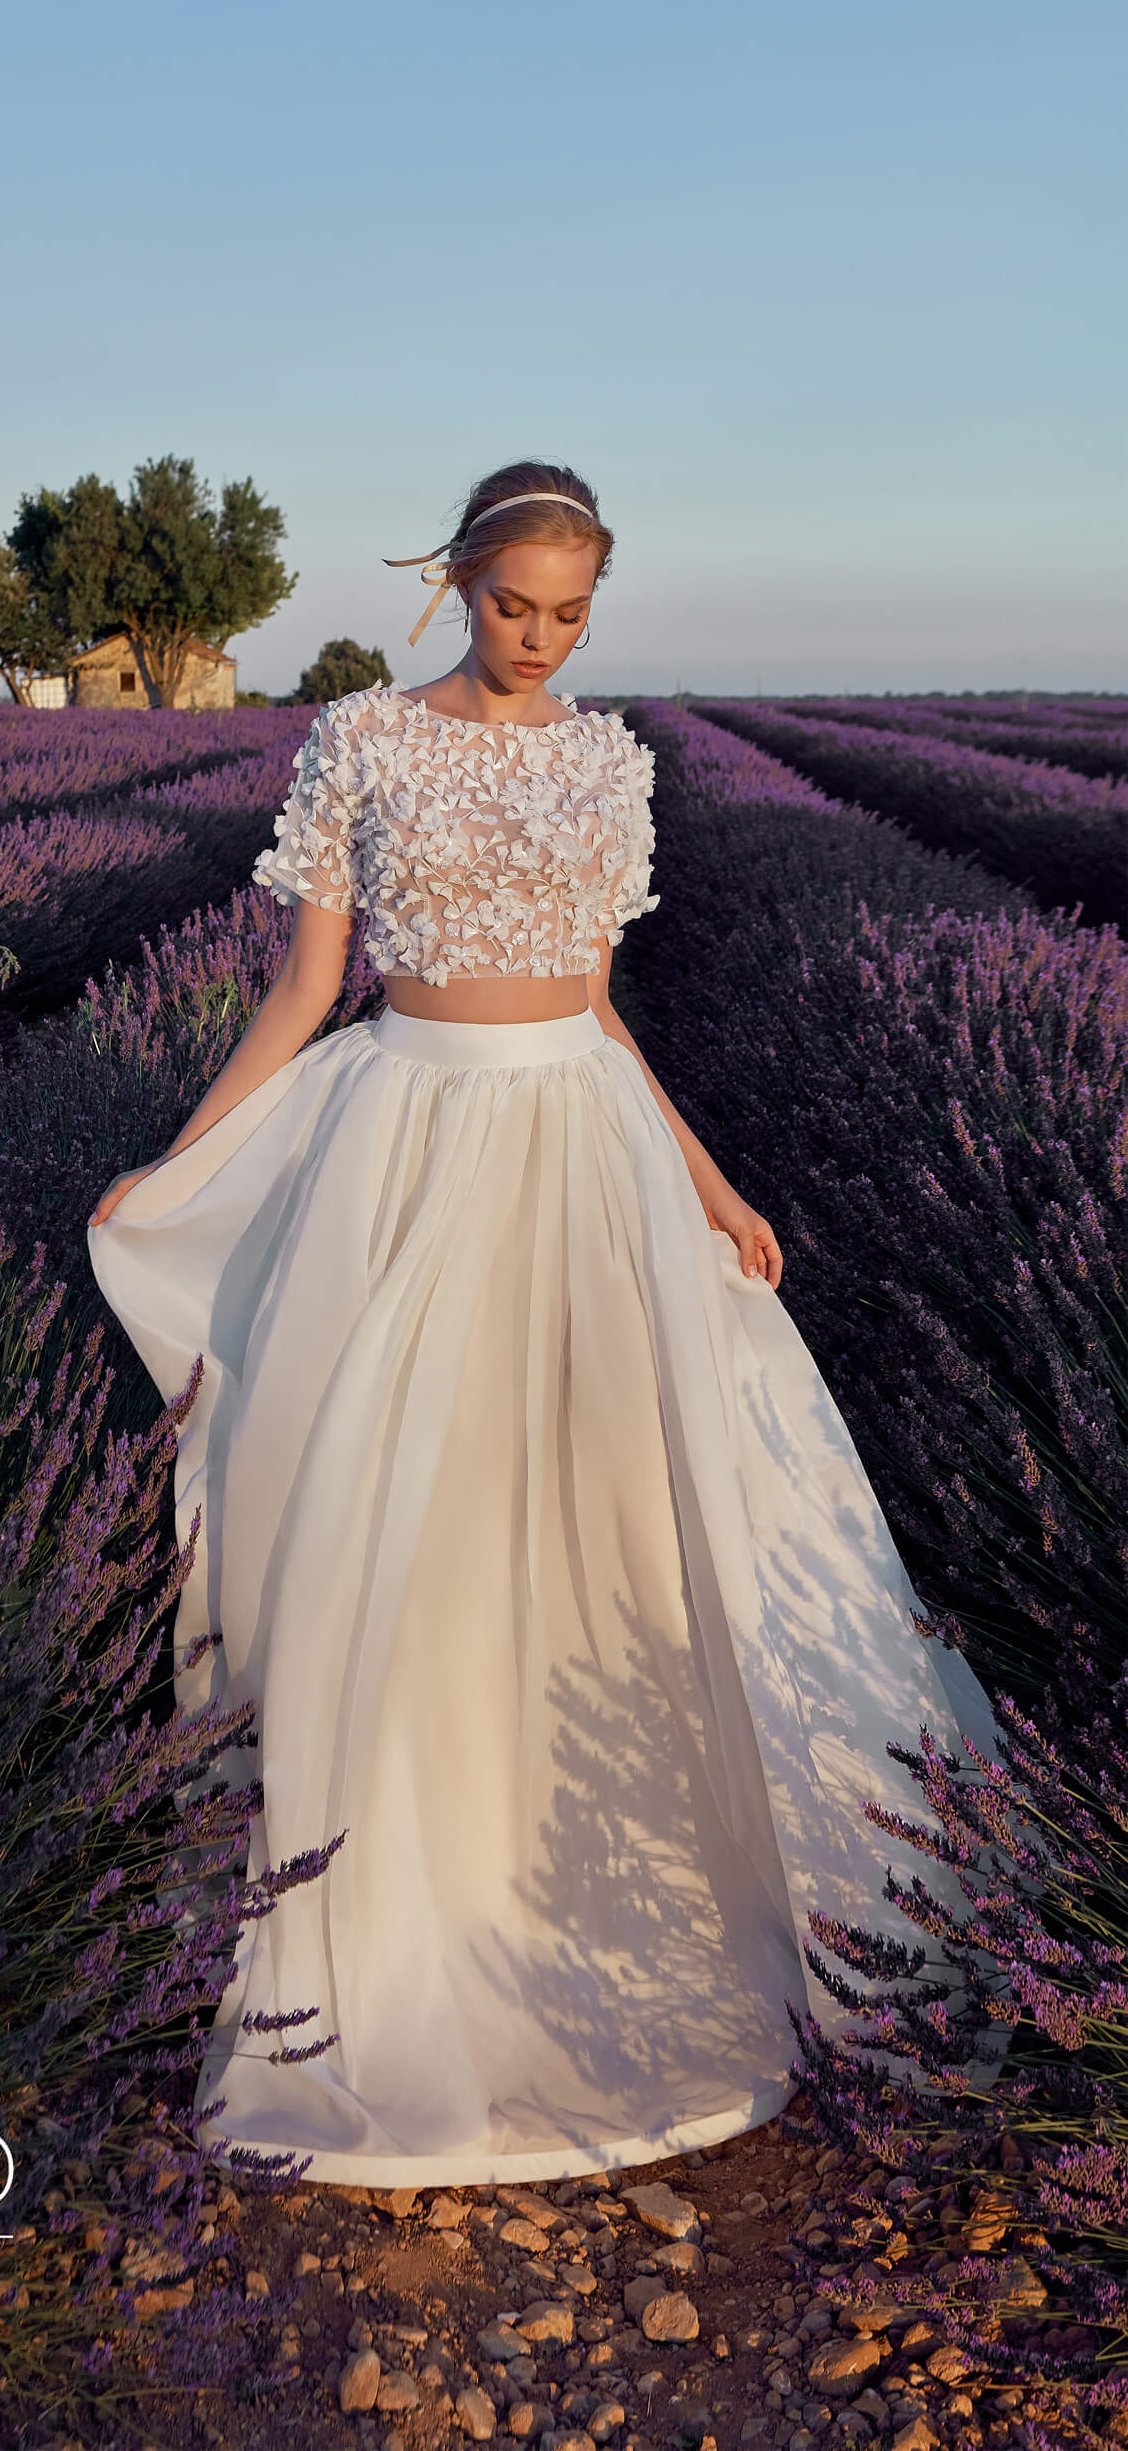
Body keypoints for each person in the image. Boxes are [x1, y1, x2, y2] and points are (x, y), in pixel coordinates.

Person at [86, 461, 1004, 2187]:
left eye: (572, 612)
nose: (540, 637)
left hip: (582, 1149)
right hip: (411, 1143)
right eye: (515, 604)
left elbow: (600, 1009)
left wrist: (713, 1186)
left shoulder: (605, 758)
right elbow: (307, 990)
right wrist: (177, 1158)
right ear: (457, 583)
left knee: (610, 1519)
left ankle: (620, 1890)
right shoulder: (362, 741)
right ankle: (413, 1907)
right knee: (406, 1519)